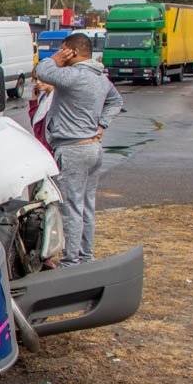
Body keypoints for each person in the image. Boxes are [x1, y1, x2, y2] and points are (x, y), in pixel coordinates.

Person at [35, 32, 123, 266]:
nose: (62, 54)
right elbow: (116, 102)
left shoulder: (75, 75)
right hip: (93, 148)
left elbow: (43, 71)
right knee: (86, 205)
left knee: (71, 207)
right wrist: (101, 124)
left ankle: (71, 260)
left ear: (72, 51)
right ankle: (86, 255)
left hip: (72, 149)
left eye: (64, 49)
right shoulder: (101, 79)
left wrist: (56, 57)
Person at [27, 71, 55, 154]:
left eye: (42, 79)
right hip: (44, 150)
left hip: (52, 151)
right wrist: (34, 101)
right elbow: (36, 123)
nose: (38, 82)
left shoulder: (56, 100)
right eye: (36, 79)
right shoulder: (44, 97)